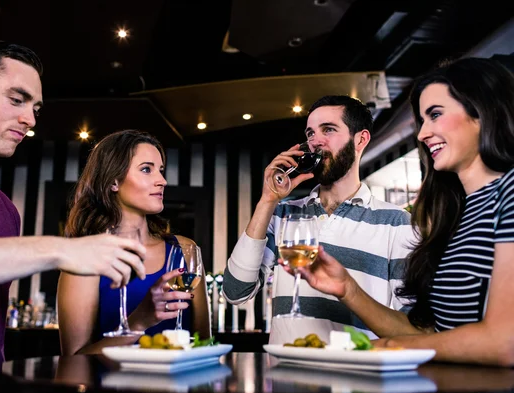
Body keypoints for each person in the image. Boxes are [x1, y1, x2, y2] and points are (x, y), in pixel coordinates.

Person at [0, 41, 146, 381]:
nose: (29, 119)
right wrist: (59, 249)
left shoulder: (6, 210)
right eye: (16, 99)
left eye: (35, 108)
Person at [286, 57, 514, 366]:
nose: (421, 134)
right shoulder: (458, 212)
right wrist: (348, 289)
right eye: (422, 121)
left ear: (484, 113)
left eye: (435, 115)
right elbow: (427, 334)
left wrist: (384, 348)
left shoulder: (509, 193)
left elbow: (505, 342)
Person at [223, 95, 415, 344]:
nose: (315, 142)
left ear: (360, 139)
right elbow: (235, 292)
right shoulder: (283, 214)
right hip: (287, 374)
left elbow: (410, 327)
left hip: (355, 378)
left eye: (329, 130)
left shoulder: (398, 223)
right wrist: (268, 200)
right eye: (310, 133)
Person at [57, 130, 211, 355]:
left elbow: (203, 345)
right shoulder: (85, 259)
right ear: (113, 182)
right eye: (146, 169)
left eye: (160, 170)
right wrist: (138, 322)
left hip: (179, 389)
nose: (162, 181)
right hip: (112, 389)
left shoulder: (184, 251)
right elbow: (72, 361)